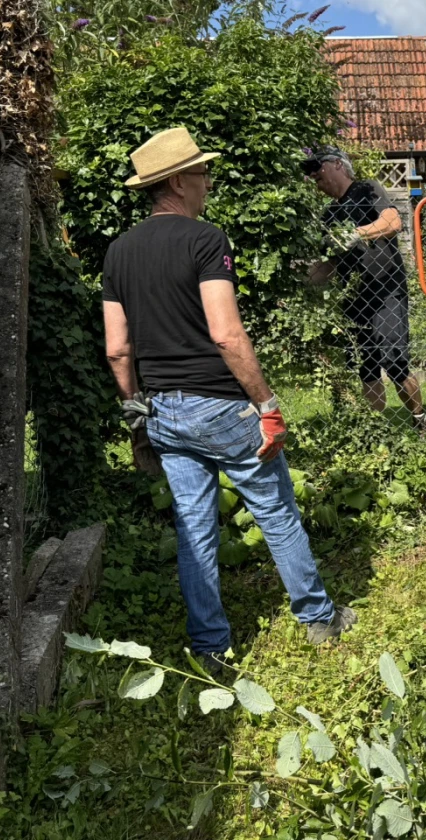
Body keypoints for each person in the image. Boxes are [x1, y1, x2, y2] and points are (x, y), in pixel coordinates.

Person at [102, 127, 357, 662]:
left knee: (194, 528)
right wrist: (266, 405)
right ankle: (318, 618)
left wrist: (135, 420)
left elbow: (117, 351)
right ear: (176, 182)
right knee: (276, 512)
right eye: (201, 172)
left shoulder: (119, 253)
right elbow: (226, 334)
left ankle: (210, 646)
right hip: (221, 407)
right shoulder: (204, 240)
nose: (208, 182)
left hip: (163, 411)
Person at [302, 146, 426, 432]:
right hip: (354, 300)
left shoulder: (367, 189)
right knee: (366, 367)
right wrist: (299, 283)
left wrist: (355, 233)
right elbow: (329, 265)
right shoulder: (328, 215)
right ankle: (375, 432)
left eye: (317, 168)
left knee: (395, 363)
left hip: (387, 293)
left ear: (337, 165)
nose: (313, 177)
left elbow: (392, 223)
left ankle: (420, 420)